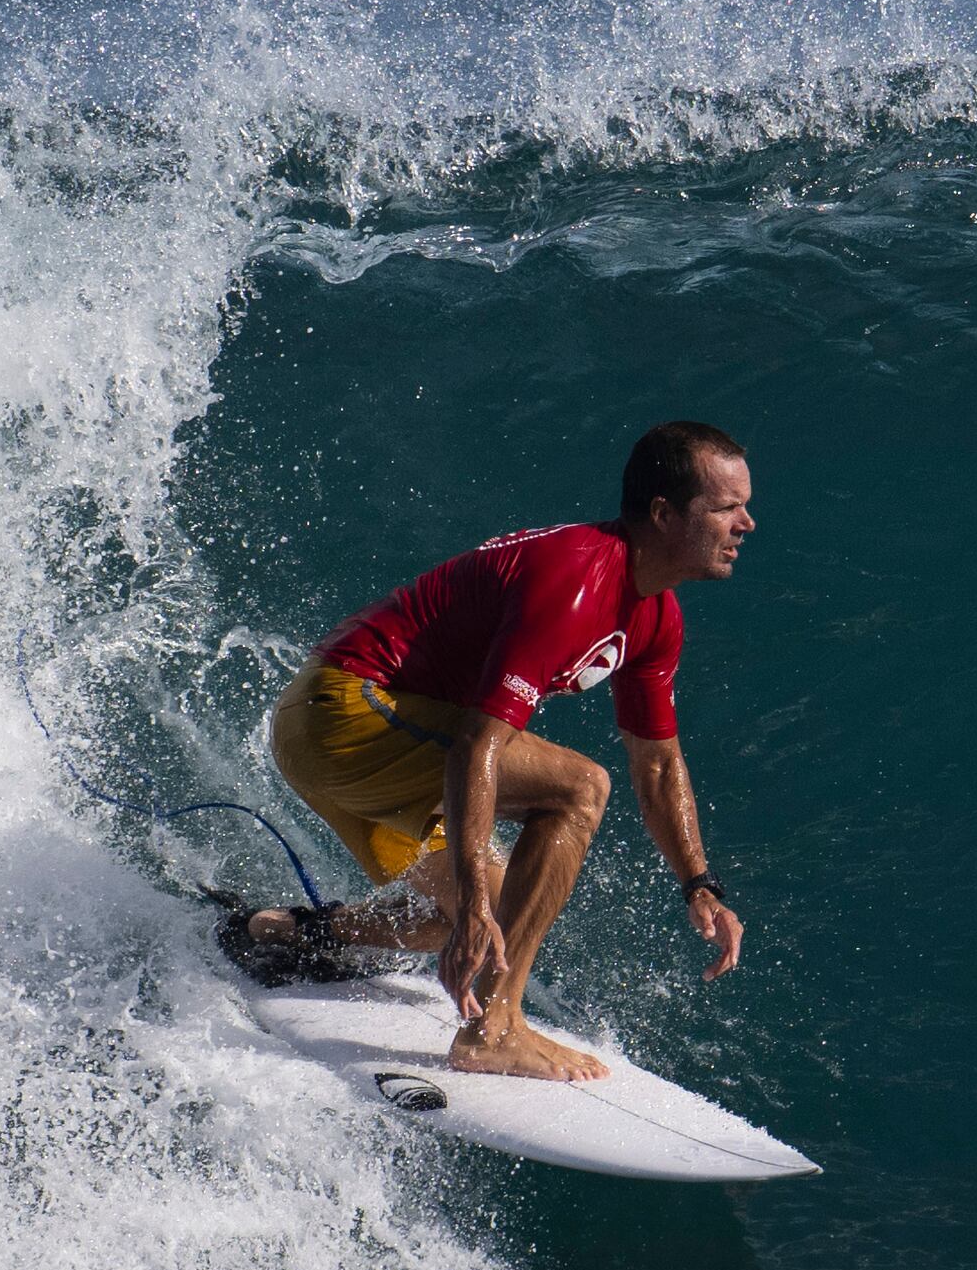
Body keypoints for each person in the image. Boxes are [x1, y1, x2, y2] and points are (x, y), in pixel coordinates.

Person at [230, 420, 752, 1082]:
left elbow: (658, 763)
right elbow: (477, 744)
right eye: (727, 507)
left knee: (493, 914)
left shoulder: (655, 617)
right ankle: (495, 1030)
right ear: (664, 514)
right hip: (345, 713)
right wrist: (475, 901)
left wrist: (699, 885)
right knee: (578, 789)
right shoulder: (577, 579)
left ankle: (284, 933)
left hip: (354, 740)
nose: (746, 523)